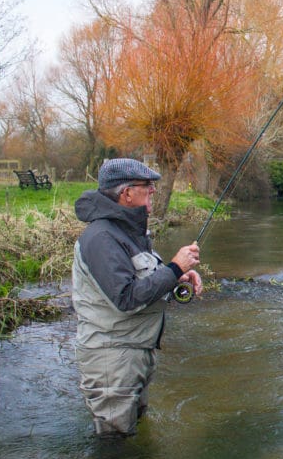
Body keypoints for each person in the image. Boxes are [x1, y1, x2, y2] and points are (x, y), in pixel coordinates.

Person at [71, 157, 203, 436]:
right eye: (147, 186)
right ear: (126, 193)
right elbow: (126, 297)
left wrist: (174, 277)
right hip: (112, 359)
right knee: (114, 448)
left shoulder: (128, 231)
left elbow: (139, 279)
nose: (154, 190)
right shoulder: (101, 238)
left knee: (133, 437)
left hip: (135, 351)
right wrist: (175, 266)